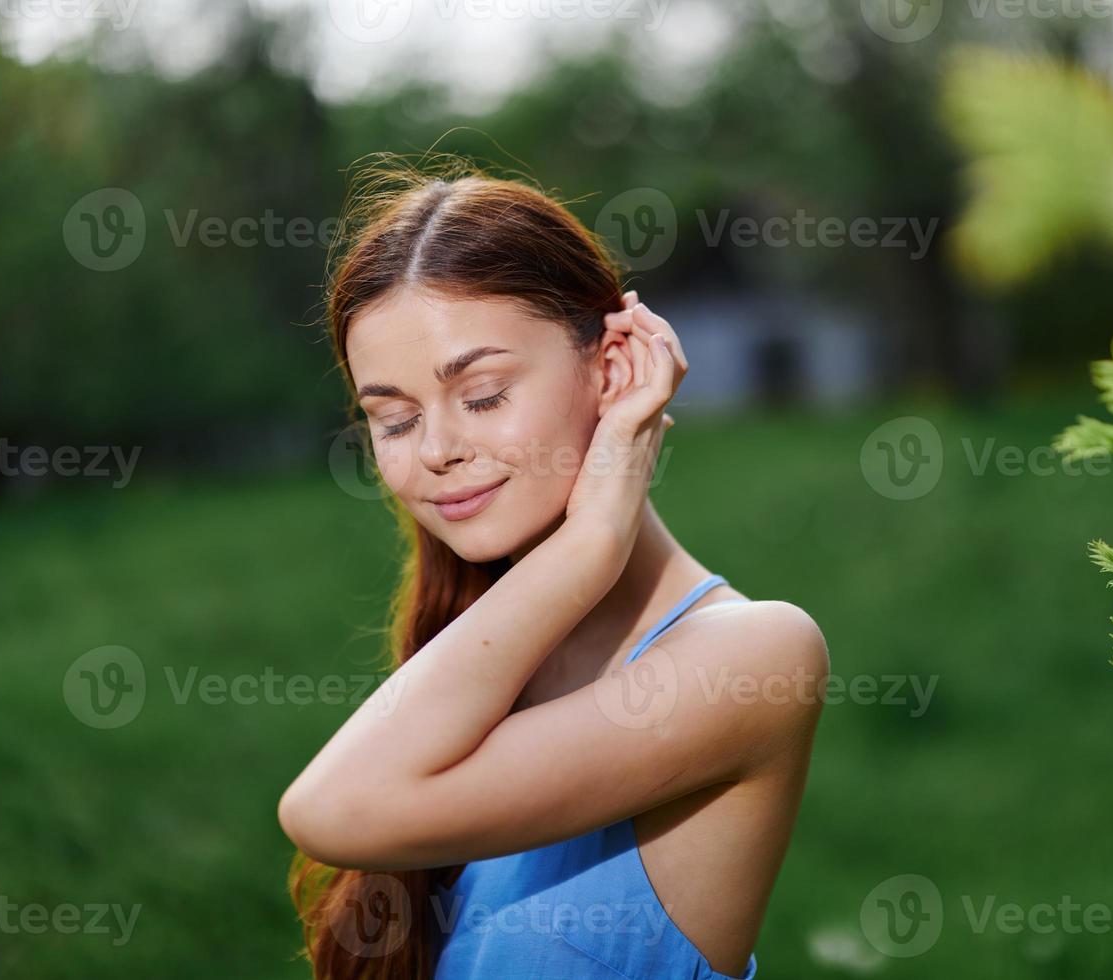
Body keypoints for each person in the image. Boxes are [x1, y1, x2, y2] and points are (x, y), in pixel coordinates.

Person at [278, 164, 829, 980]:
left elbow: (330, 810)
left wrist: (589, 546)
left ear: (610, 368)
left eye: (485, 394)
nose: (434, 451)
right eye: (392, 419)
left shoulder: (756, 661)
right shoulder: (487, 665)